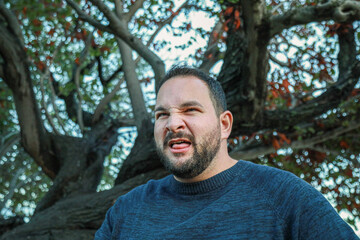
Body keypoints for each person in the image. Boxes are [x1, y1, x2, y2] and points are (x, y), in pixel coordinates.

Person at [95, 66, 359, 239]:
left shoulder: (284, 197)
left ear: (224, 125)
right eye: (162, 114)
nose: (172, 123)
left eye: (190, 110)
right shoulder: (127, 212)